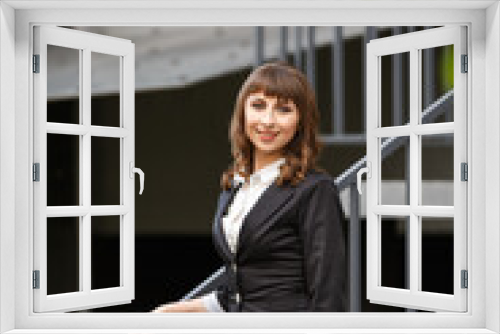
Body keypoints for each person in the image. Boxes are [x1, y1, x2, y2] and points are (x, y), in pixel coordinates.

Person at [153, 61, 347, 312]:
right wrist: (170, 311)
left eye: (283, 110)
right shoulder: (235, 184)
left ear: (301, 121)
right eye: (258, 106)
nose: (267, 121)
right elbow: (239, 290)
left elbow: (327, 294)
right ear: (242, 112)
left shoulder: (315, 189)